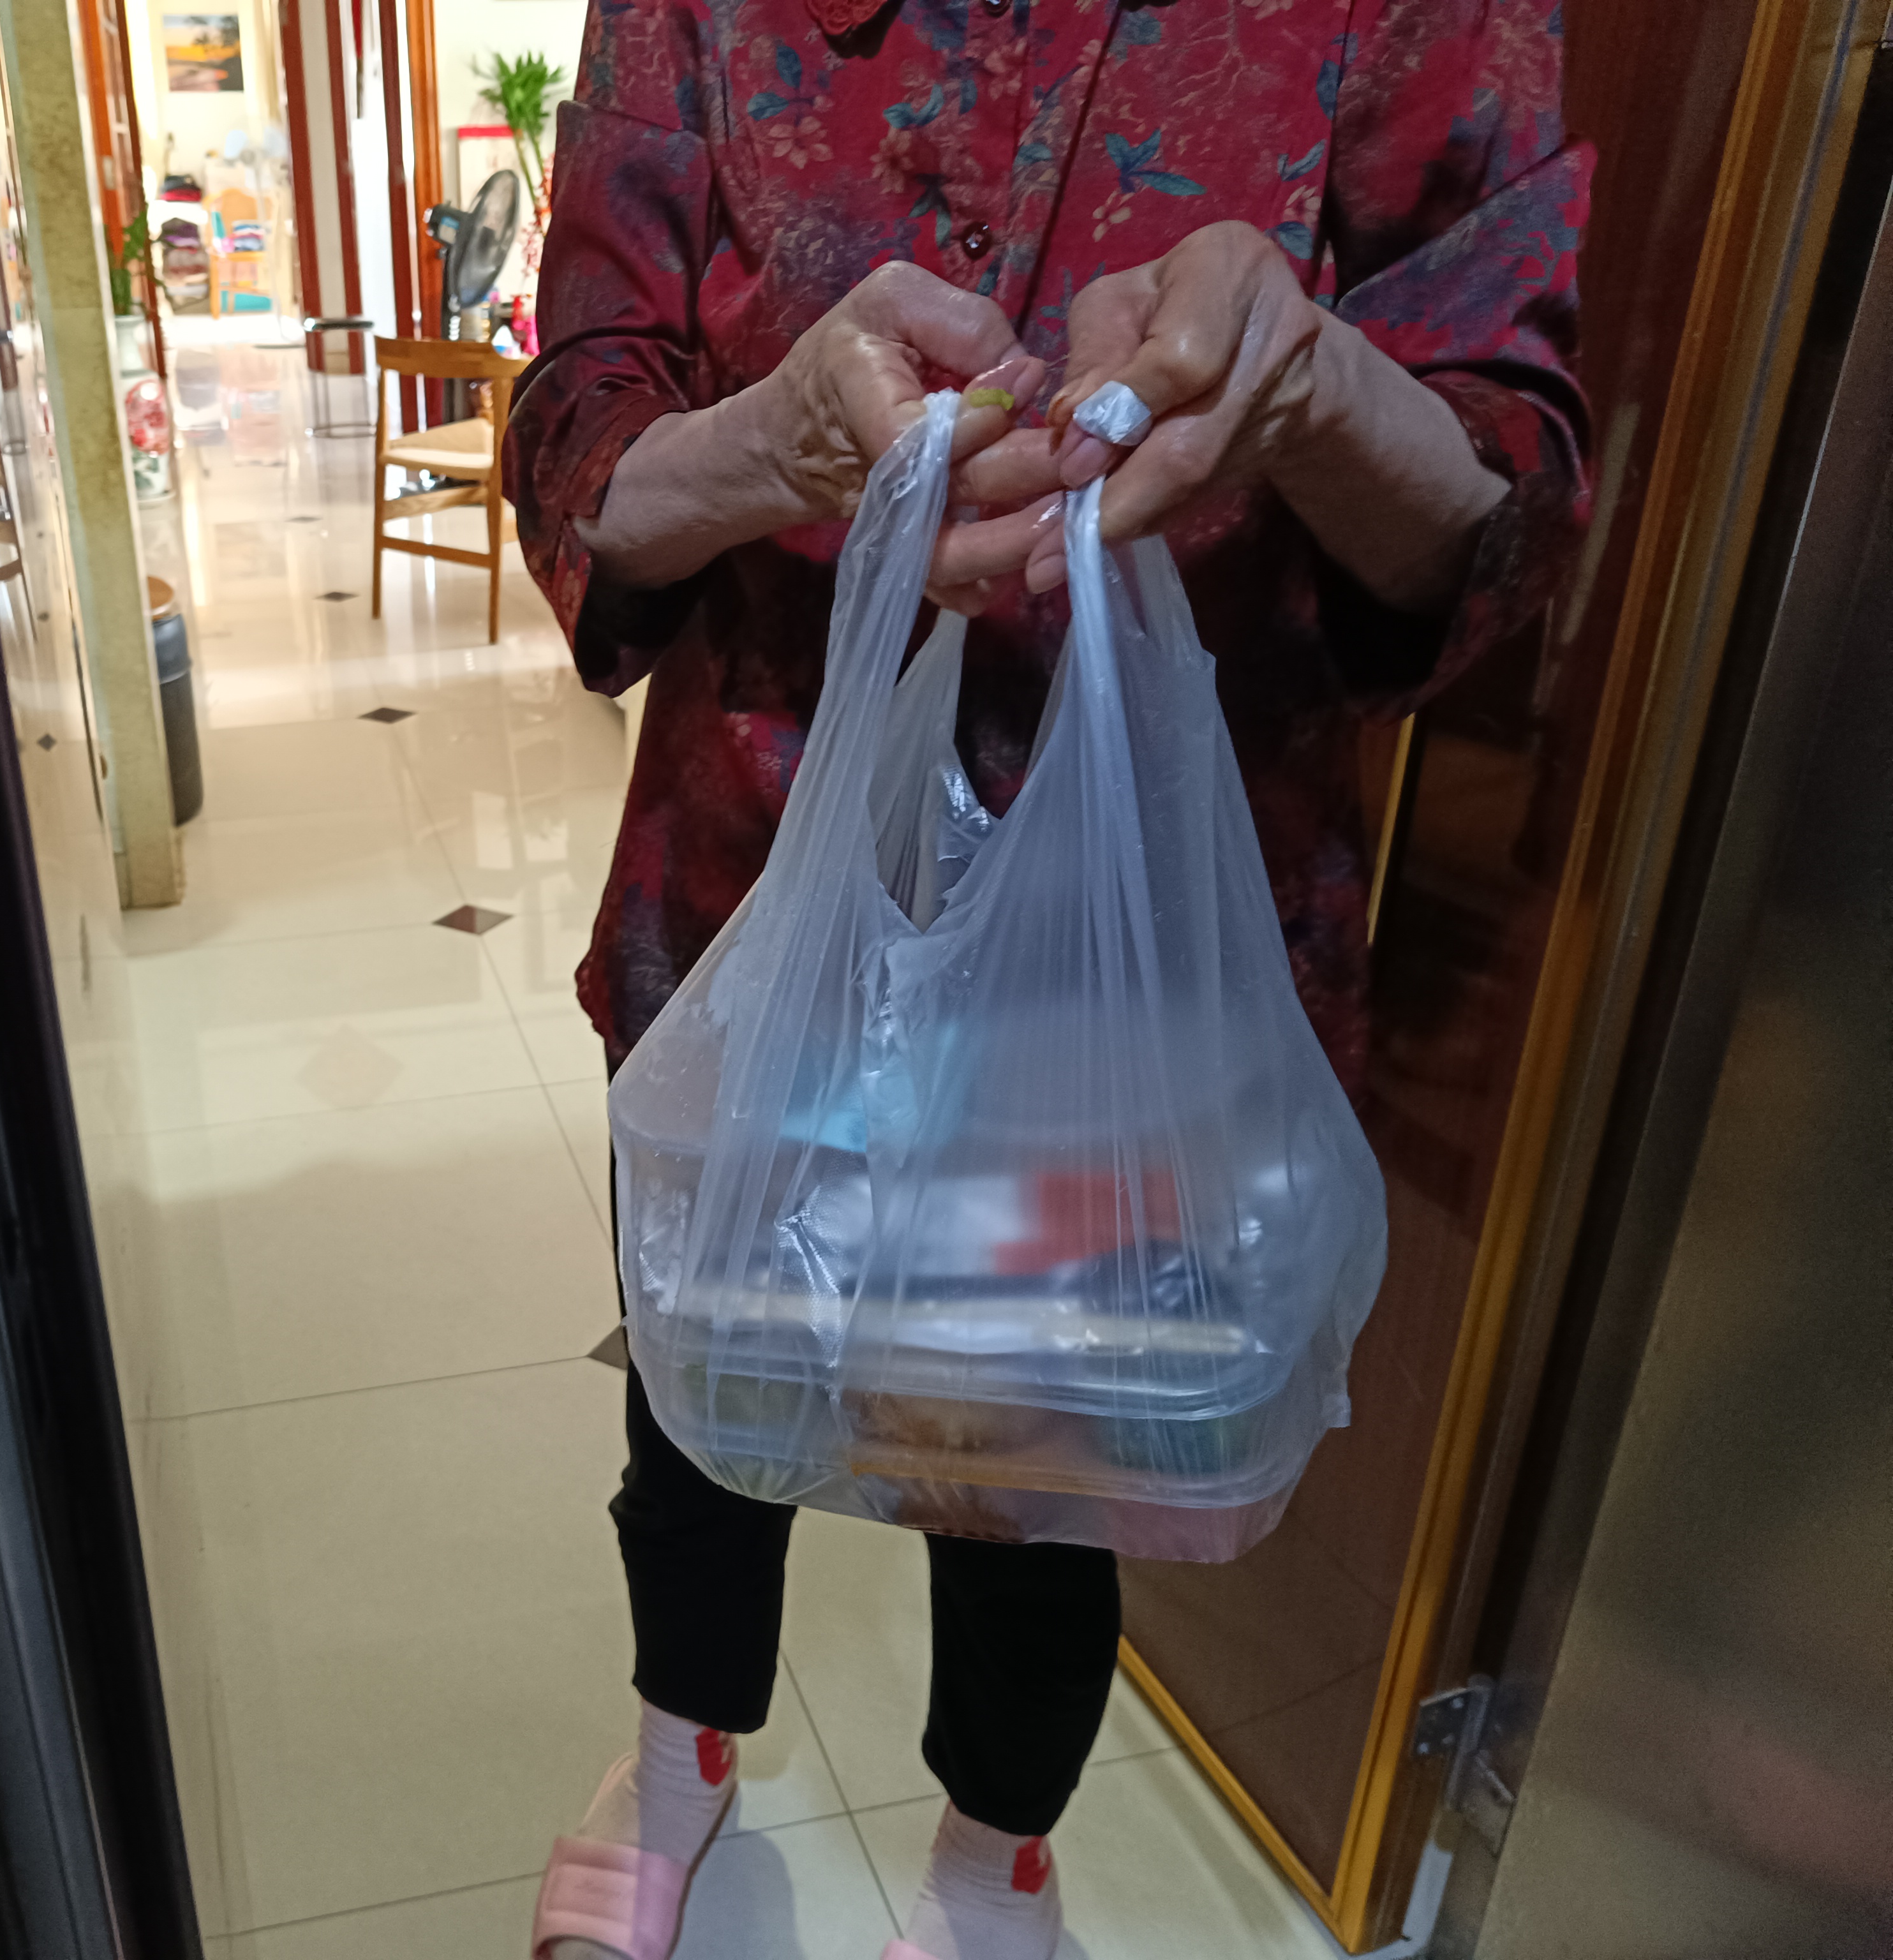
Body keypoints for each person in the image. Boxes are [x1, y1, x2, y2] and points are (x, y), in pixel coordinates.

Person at [505, 3, 1592, 1958]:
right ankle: (679, 1756)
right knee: (706, 1372)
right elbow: (583, 430)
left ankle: (992, 1857)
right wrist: (782, 441)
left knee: (1055, 1443)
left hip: (1141, 965)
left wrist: (1304, 382)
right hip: (763, 893)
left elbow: (1501, 505)